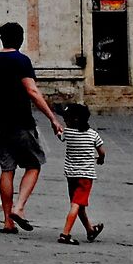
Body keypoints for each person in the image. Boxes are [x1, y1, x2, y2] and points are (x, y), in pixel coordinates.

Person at [0, 22, 64, 234]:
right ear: (20, 39)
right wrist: (53, 118)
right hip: (21, 122)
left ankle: (7, 221)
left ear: (1, 38)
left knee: (7, 168)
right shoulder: (21, 61)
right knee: (33, 164)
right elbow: (32, 91)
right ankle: (19, 207)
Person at [55, 101, 106, 244]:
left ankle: (90, 230)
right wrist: (101, 158)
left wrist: (57, 128)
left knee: (77, 204)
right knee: (77, 204)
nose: (64, 120)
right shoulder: (93, 135)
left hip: (71, 175)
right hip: (85, 176)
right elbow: (102, 151)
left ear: (74, 120)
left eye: (66, 118)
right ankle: (65, 234)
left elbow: (60, 135)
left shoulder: (68, 133)